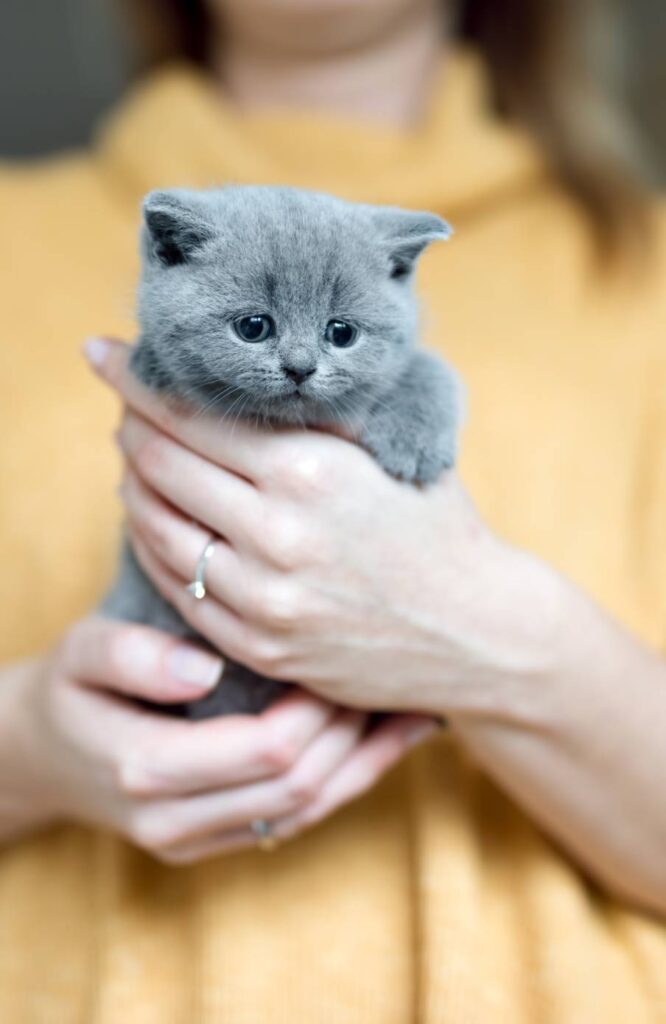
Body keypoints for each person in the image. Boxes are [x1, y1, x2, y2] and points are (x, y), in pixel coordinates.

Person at [1, 0, 665, 1019]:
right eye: (261, 325)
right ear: (168, 255)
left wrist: (493, 633)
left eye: (338, 336)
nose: (302, 364)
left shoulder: (641, 271)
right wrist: (27, 748)